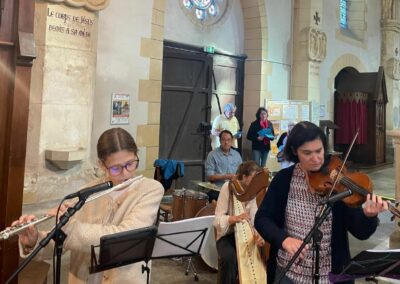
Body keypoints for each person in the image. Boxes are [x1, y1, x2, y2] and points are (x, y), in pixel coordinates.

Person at [12, 128, 164, 283]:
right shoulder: (86, 193)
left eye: (130, 164)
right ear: (102, 165)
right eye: (116, 168)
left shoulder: (150, 189)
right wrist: (35, 240)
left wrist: (69, 227)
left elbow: (125, 237)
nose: (125, 173)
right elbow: (61, 244)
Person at [254, 121, 388, 284]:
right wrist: (284, 240)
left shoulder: (338, 184)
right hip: (289, 273)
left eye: (319, 151)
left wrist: (369, 216)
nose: (316, 159)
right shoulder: (283, 180)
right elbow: (262, 218)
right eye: (307, 153)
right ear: (295, 152)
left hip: (331, 276)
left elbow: (361, 232)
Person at [214, 161, 265, 284]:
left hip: (245, 236)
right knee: (229, 258)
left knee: (259, 258)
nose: (255, 183)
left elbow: (254, 219)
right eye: (253, 179)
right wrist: (233, 219)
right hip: (227, 235)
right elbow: (216, 220)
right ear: (244, 177)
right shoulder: (227, 188)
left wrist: (259, 235)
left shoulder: (251, 192)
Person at [205, 130, 242, 201]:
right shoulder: (212, 155)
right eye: (223, 140)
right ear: (220, 140)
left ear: (231, 141)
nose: (226, 142)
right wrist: (226, 176)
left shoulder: (237, 155)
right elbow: (210, 176)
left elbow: (241, 172)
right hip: (218, 190)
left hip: (234, 189)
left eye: (228, 140)